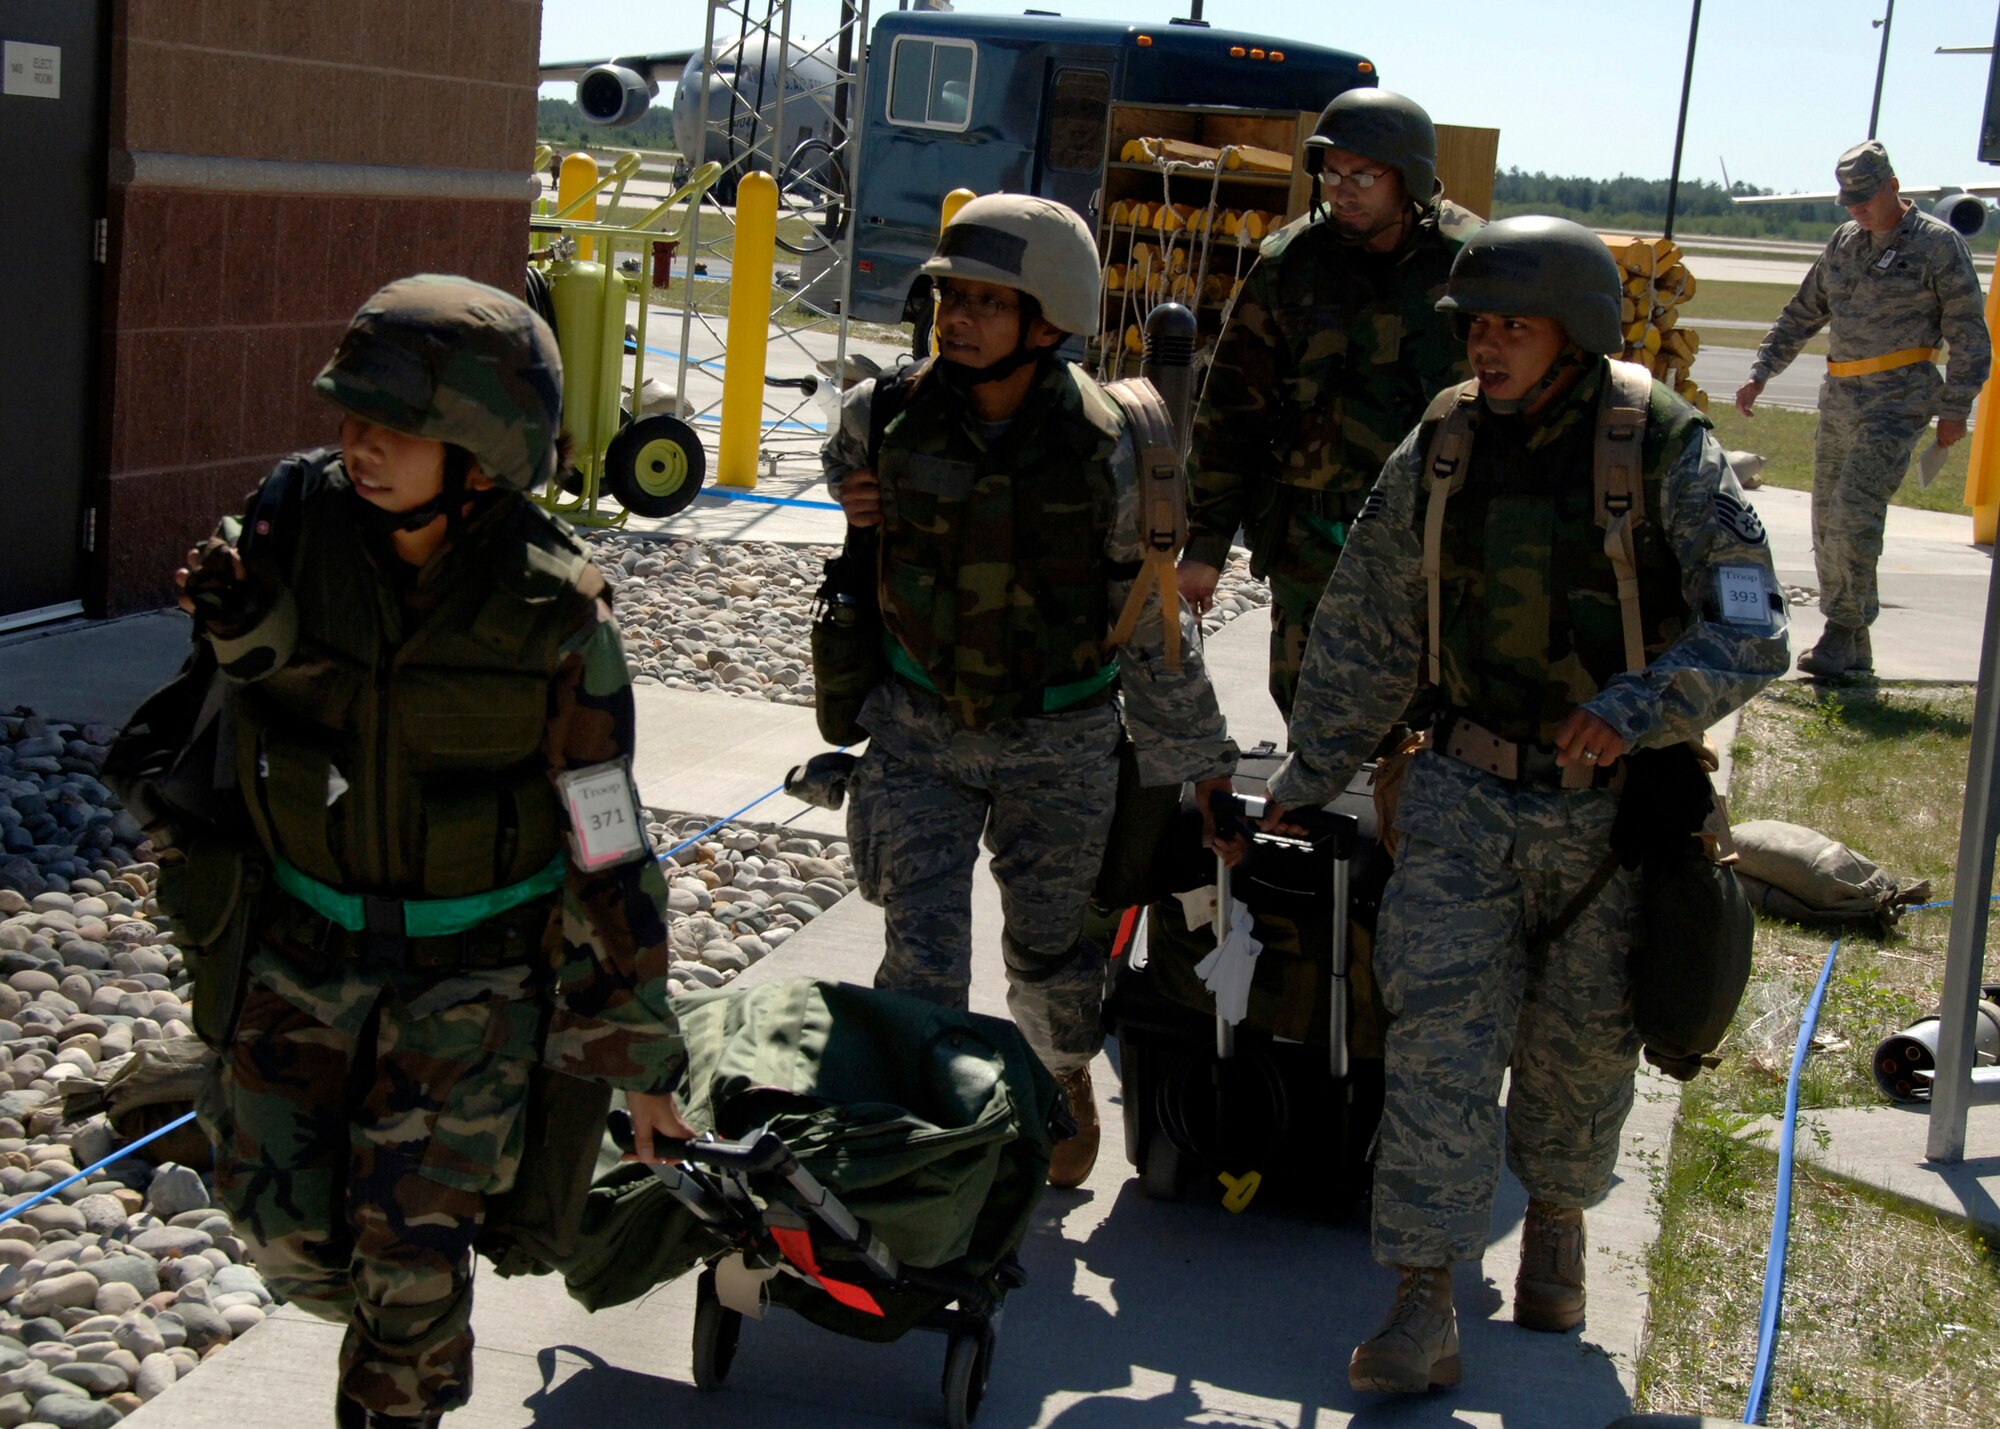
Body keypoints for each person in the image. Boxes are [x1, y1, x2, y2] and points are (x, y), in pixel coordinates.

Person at [1257, 217, 1789, 1394]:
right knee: (1438, 1045)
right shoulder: (1442, 439)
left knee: (1579, 1048)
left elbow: (1756, 627)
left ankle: (1555, 1221)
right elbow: (1366, 621)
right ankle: (1419, 1299)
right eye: (1477, 325)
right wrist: (1308, 774)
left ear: (1577, 333)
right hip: (1456, 796)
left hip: (1609, 819)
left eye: (1514, 325)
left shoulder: (1656, 444)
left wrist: (1646, 700)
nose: (1487, 347)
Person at [171, 275, 692, 1427]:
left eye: (398, 427)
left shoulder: (557, 612)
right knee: (285, 1232)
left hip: (472, 989)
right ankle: (384, 1327)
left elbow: (608, 841)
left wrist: (641, 1063)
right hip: (298, 951)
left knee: (408, 1263)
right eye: (352, 416)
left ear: (481, 452)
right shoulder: (287, 525)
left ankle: (399, 1393)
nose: (361, 443)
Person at [823, 194, 1238, 1189]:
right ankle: (924, 1142)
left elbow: (1149, 628)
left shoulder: (1111, 449)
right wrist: (851, 493)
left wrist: (1204, 770)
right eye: (947, 299)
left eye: (985, 302)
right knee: (918, 960)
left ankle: (1059, 1077)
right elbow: (844, 466)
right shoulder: (883, 414)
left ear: (1049, 319)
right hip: (918, 732)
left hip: (1059, 743)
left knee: (1049, 963)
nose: (955, 319)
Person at [1181, 88, 1474, 720]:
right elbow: (1232, 409)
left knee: (1428, 716)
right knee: (1308, 702)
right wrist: (1205, 541)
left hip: (1435, 540)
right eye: (1333, 172)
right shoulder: (1291, 264)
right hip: (1311, 534)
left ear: (1411, 179)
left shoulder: (1474, 266)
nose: (1343, 189)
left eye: (1364, 175)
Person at [1735, 140, 1990, 679]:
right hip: (1841, 400)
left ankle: (1842, 628)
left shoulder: (1937, 246)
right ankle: (1853, 642)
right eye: (1848, 200)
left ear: (1893, 187)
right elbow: (1804, 310)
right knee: (1827, 519)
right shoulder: (1845, 242)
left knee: (1854, 513)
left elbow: (1968, 331)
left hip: (1899, 402)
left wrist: (1955, 406)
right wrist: (1762, 370)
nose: (1857, 209)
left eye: (1866, 198)